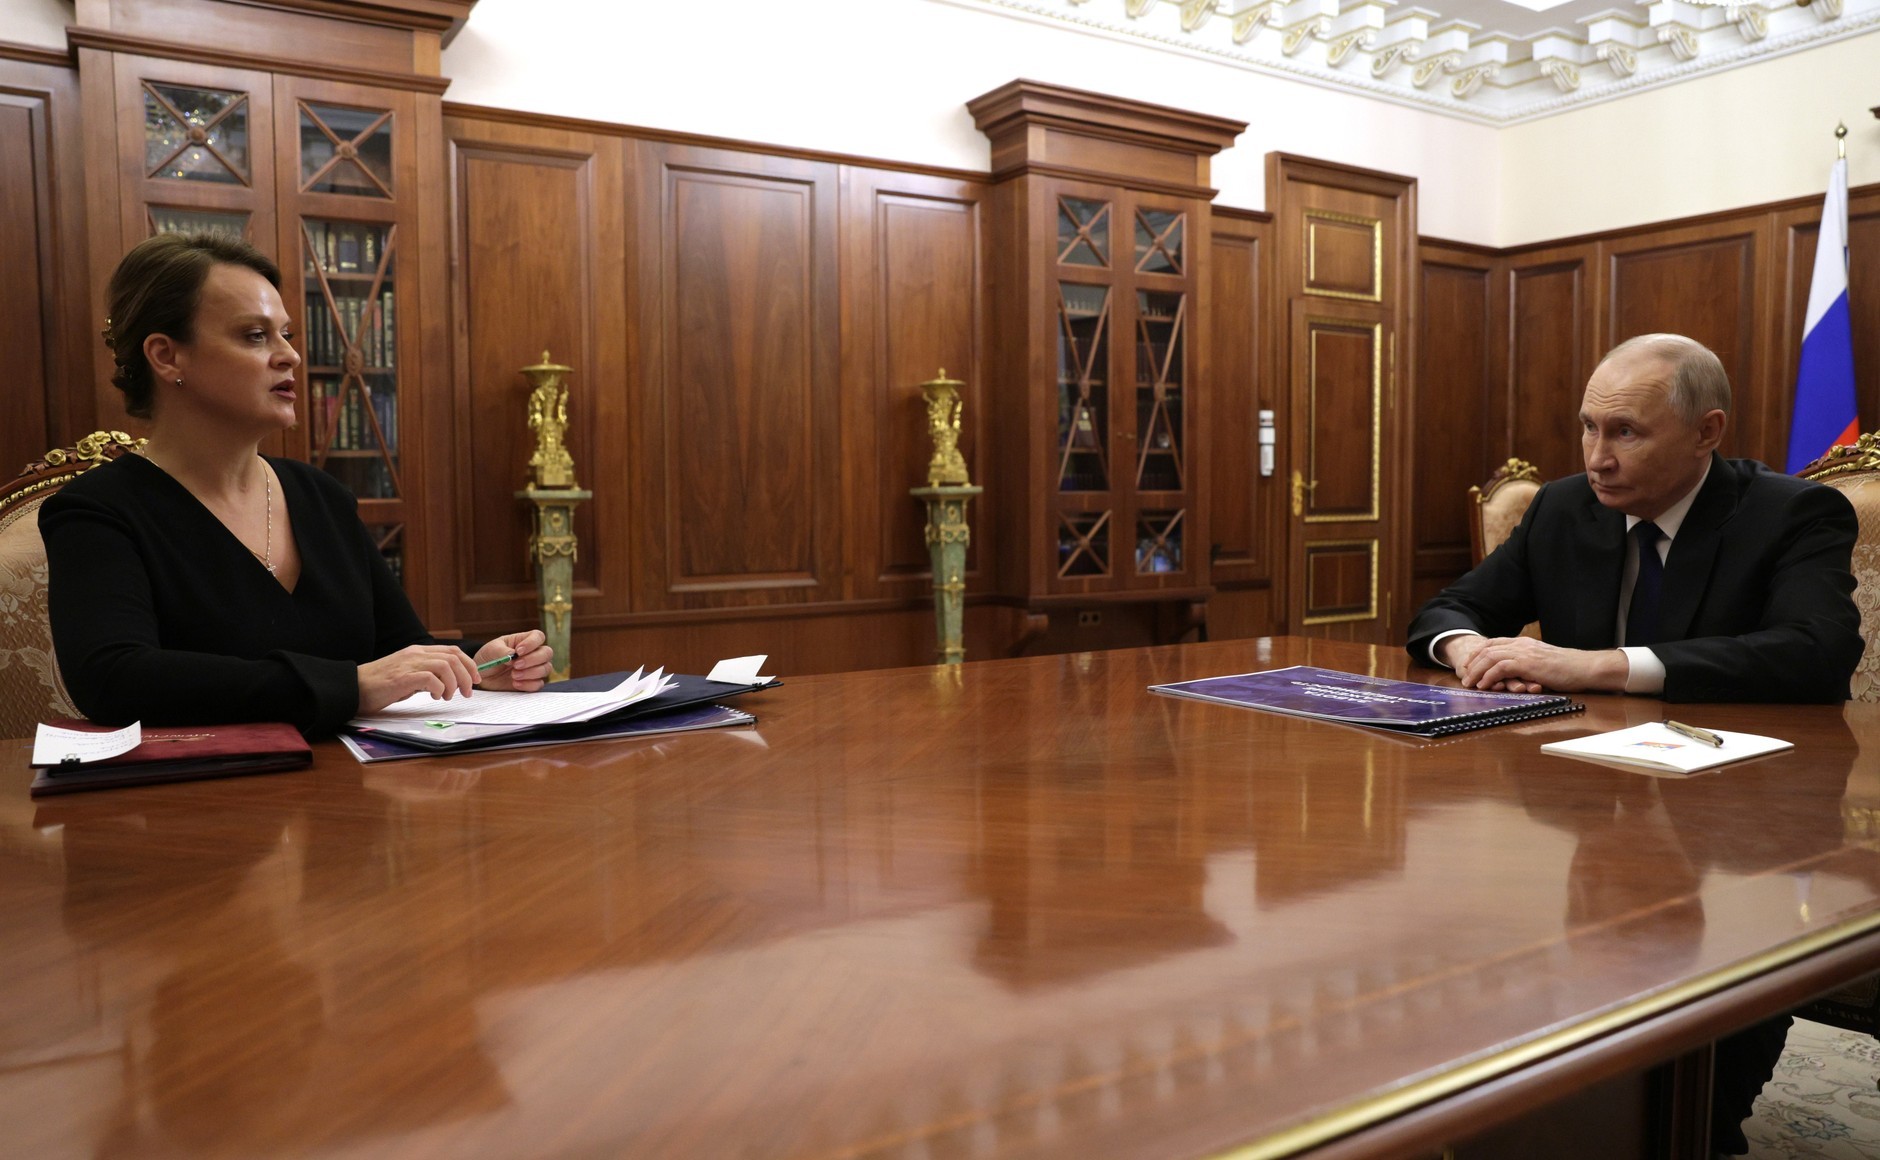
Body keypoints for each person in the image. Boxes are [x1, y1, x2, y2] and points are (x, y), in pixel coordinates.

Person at [41, 231, 554, 736]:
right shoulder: (97, 510)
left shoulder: (321, 496)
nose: (290, 356)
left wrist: (478, 666)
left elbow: (398, 649)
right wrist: (349, 686)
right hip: (209, 788)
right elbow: (114, 678)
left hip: (362, 781)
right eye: (255, 335)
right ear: (166, 356)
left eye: (286, 334)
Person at [1407, 332, 1863, 704]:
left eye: (1626, 432)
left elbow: (1817, 653)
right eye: (1590, 427)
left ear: (1706, 432)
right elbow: (1448, 610)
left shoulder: (1793, 513)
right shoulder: (1563, 507)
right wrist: (1470, 651)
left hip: (1736, 765)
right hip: (1578, 761)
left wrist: (1594, 666)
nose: (1597, 460)